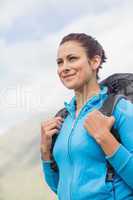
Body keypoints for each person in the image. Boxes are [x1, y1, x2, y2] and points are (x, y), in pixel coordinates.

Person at [40, 33, 133, 200]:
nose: (64, 67)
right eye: (60, 62)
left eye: (72, 58)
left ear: (94, 62)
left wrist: (105, 138)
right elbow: (60, 188)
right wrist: (45, 153)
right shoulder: (63, 120)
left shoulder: (118, 109)